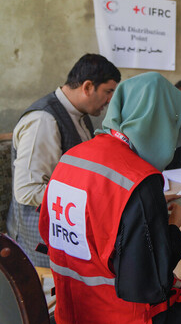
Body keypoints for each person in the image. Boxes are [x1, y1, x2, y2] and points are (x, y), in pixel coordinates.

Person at [38, 72, 181, 324]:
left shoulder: (72, 158)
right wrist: (173, 223)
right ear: (159, 123)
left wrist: (146, 209)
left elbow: (68, 226)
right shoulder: (139, 178)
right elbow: (151, 280)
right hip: (121, 316)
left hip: (72, 309)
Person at [7, 53, 120, 267]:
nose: (109, 101)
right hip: (41, 238)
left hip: (67, 230)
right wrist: (88, 200)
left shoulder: (81, 115)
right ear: (87, 87)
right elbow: (27, 191)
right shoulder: (43, 120)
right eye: (108, 92)